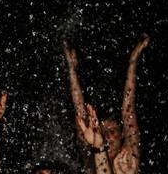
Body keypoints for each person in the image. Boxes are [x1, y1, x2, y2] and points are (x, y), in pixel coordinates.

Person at [63, 36, 150, 165]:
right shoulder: (90, 161)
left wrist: (133, 62)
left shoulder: (129, 160)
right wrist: (71, 69)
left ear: (122, 135)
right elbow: (80, 110)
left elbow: (128, 112)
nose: (105, 136)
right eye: (101, 131)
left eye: (112, 131)